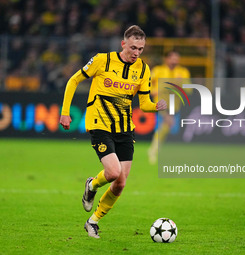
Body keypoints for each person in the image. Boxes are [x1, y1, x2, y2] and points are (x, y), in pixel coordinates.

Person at [59, 25, 167, 239]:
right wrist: (65, 112)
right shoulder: (103, 60)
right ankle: (92, 184)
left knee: (120, 183)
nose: (137, 53)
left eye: (141, 49)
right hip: (99, 124)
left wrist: (155, 106)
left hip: (125, 128)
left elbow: (144, 102)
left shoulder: (144, 70)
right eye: (133, 47)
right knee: (113, 172)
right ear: (123, 44)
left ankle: (93, 221)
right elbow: (74, 80)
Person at [148, 50, 190, 164]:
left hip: (175, 103)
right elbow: (148, 84)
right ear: (166, 59)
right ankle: (153, 150)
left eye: (177, 58)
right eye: (173, 58)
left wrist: (181, 83)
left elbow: (189, 89)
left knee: (166, 126)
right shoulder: (158, 70)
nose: (175, 61)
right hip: (161, 102)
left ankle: (155, 147)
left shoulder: (183, 72)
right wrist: (153, 91)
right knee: (168, 122)